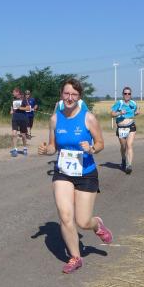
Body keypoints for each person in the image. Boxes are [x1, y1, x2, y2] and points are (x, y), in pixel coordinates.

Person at [37, 78, 113, 274]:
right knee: (65, 216)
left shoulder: (88, 118)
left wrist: (92, 149)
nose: (70, 98)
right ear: (61, 95)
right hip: (63, 172)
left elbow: (100, 143)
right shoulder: (55, 119)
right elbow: (53, 146)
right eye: (66, 93)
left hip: (86, 174)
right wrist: (46, 151)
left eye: (74, 94)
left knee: (83, 221)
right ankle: (75, 257)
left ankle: (96, 224)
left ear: (79, 97)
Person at [110, 86, 140, 174]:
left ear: (131, 95)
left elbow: (136, 111)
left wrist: (137, 112)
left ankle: (129, 165)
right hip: (121, 128)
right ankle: (123, 159)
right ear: (123, 94)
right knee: (123, 147)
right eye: (125, 93)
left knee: (129, 145)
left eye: (129, 93)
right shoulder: (119, 103)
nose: (127, 95)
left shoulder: (133, 103)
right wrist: (119, 112)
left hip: (131, 126)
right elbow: (112, 114)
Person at [9, 87, 30, 156]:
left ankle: (25, 148)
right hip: (15, 118)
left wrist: (20, 108)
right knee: (14, 134)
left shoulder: (23, 99)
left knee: (23, 135)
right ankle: (15, 149)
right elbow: (12, 108)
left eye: (14, 92)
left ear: (17, 92)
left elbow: (28, 108)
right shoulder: (13, 99)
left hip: (23, 119)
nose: (13, 93)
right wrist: (11, 111)